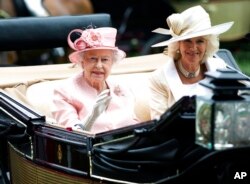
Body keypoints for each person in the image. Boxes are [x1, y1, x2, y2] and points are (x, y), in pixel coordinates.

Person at [148, 5, 234, 120]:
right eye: (187, 41)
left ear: (207, 44)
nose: (193, 48)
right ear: (178, 44)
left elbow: (234, 107)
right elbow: (158, 126)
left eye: (200, 41)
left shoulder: (219, 67)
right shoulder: (158, 79)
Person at [51, 27, 140, 134]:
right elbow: (72, 134)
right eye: (92, 59)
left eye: (105, 60)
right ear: (82, 61)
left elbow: (135, 124)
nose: (99, 65)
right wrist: (91, 117)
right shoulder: (64, 92)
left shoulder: (123, 88)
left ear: (112, 63)